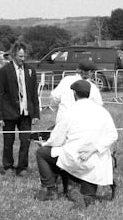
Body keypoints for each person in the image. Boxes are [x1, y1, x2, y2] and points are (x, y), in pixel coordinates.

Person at [34, 79, 118, 208]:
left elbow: (57, 139)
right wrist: (94, 148)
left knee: (42, 153)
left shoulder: (70, 112)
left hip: (75, 157)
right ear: (89, 93)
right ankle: (87, 196)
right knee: (91, 175)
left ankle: (50, 190)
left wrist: (45, 144)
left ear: (74, 94)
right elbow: (113, 135)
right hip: (96, 160)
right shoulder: (102, 112)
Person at [0, 42, 40, 176]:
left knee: (25, 141)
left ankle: (22, 167)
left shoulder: (30, 71)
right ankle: (8, 166)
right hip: (9, 112)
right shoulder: (4, 71)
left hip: (26, 113)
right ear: (13, 55)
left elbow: (34, 94)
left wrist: (35, 113)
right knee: (8, 141)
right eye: (20, 56)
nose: (23, 59)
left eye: (24, 56)